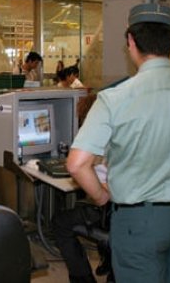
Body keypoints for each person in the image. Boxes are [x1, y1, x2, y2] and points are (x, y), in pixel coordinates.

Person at [66, 3, 170, 282]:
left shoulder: (115, 98)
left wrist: (101, 197)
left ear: (130, 42)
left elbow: (77, 164)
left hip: (138, 221)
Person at [51, 93, 113, 283]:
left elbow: (79, 169)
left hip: (108, 208)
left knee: (60, 223)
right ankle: (109, 261)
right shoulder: (120, 135)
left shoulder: (93, 139)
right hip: (129, 212)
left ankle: (82, 278)